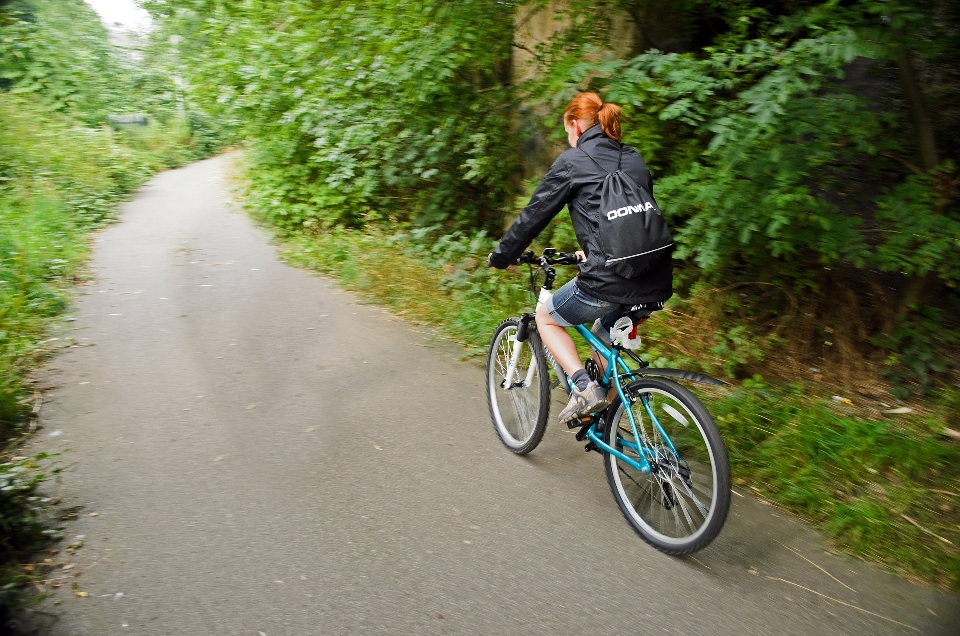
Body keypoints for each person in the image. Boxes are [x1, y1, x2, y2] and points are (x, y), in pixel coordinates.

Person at [487, 92, 673, 426]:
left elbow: (533, 217)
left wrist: (503, 256)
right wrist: (594, 249)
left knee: (546, 317)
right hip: (656, 277)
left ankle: (584, 388)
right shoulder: (632, 157)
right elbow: (630, 219)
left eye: (567, 131)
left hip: (609, 281)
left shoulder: (573, 161)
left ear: (574, 124)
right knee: (604, 337)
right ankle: (606, 421)